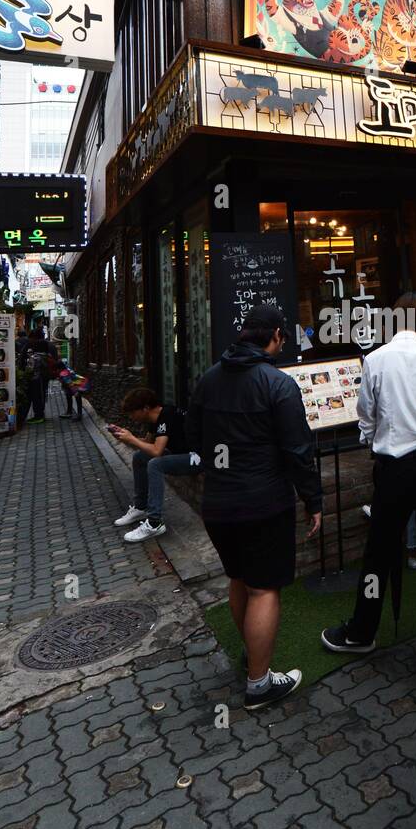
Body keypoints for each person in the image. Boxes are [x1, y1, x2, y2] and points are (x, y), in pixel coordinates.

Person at [187, 304, 322, 712]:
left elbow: (193, 435)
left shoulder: (208, 379)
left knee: (240, 579)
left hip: (218, 504)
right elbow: (298, 450)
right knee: (264, 588)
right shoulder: (277, 384)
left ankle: (253, 655)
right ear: (276, 336)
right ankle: (260, 683)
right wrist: (312, 500)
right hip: (263, 504)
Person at [322, 292, 416, 681]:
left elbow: (365, 413)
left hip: (393, 465)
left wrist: (372, 436)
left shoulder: (376, 360)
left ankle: (362, 631)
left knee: (378, 554)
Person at [110, 388, 201, 542]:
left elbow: (157, 451)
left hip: (199, 457)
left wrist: (132, 439)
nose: (131, 417)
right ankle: (141, 507)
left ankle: (154, 522)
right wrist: (125, 438)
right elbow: (147, 444)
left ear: (145, 408)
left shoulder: (167, 415)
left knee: (155, 464)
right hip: (180, 454)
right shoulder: (155, 418)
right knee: (140, 457)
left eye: (133, 412)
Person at [24, 328, 58, 425]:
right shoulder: (48, 347)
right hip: (44, 376)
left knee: (37, 396)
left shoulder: (36, 357)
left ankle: (39, 416)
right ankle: (40, 414)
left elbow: (30, 369)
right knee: (42, 395)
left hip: (37, 378)